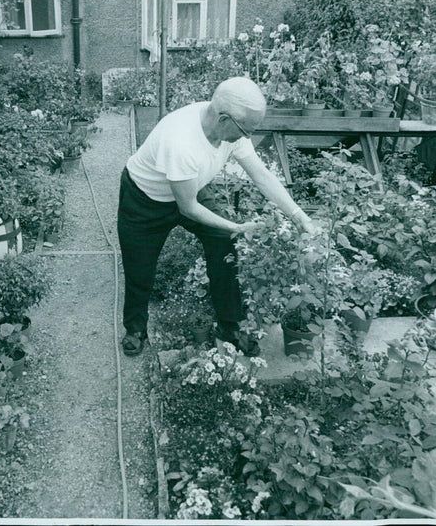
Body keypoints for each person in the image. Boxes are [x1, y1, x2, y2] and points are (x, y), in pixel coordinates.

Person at [116, 76, 317, 357]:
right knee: (140, 267)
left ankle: (229, 326)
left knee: (225, 244)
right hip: (144, 200)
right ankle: (135, 328)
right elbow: (187, 208)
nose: (248, 138)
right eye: (246, 131)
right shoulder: (180, 141)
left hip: (191, 186)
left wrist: (299, 215)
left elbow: (260, 175)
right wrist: (238, 226)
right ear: (224, 119)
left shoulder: (228, 128)